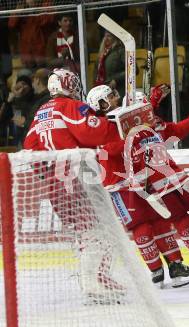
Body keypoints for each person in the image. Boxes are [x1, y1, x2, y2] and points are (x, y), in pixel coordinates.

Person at [23, 68, 127, 303]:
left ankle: (98, 278)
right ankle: (93, 283)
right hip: (72, 177)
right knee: (95, 231)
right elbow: (93, 132)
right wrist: (118, 124)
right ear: (70, 84)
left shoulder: (41, 112)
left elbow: (29, 148)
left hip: (53, 181)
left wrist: (49, 175)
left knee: (87, 231)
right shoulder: (69, 106)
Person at [87, 85, 189, 288]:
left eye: (114, 94)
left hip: (140, 180)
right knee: (140, 226)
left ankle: (176, 266)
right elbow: (111, 150)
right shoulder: (104, 125)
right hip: (118, 186)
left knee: (159, 222)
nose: (116, 98)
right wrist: (129, 136)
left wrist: (150, 104)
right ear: (102, 104)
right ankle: (155, 271)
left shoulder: (117, 119)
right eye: (111, 96)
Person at [8, 0, 55, 69]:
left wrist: (35, 9)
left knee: (42, 75)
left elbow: (48, 20)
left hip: (41, 51)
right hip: (26, 51)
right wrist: (18, 10)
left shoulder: (45, 4)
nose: (30, 1)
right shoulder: (22, 8)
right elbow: (11, 24)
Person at [94, 31, 126, 99]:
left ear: (115, 38)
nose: (106, 38)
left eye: (109, 36)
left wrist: (116, 79)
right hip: (102, 91)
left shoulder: (120, 51)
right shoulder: (102, 53)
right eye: (105, 36)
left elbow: (133, 70)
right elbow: (96, 73)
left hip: (117, 91)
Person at [4, 75, 34, 147]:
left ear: (30, 86)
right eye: (20, 84)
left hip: (28, 129)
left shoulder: (34, 98)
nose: (22, 87)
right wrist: (8, 101)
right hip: (15, 132)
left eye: (24, 84)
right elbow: (5, 116)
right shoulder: (14, 97)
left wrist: (18, 96)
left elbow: (27, 113)